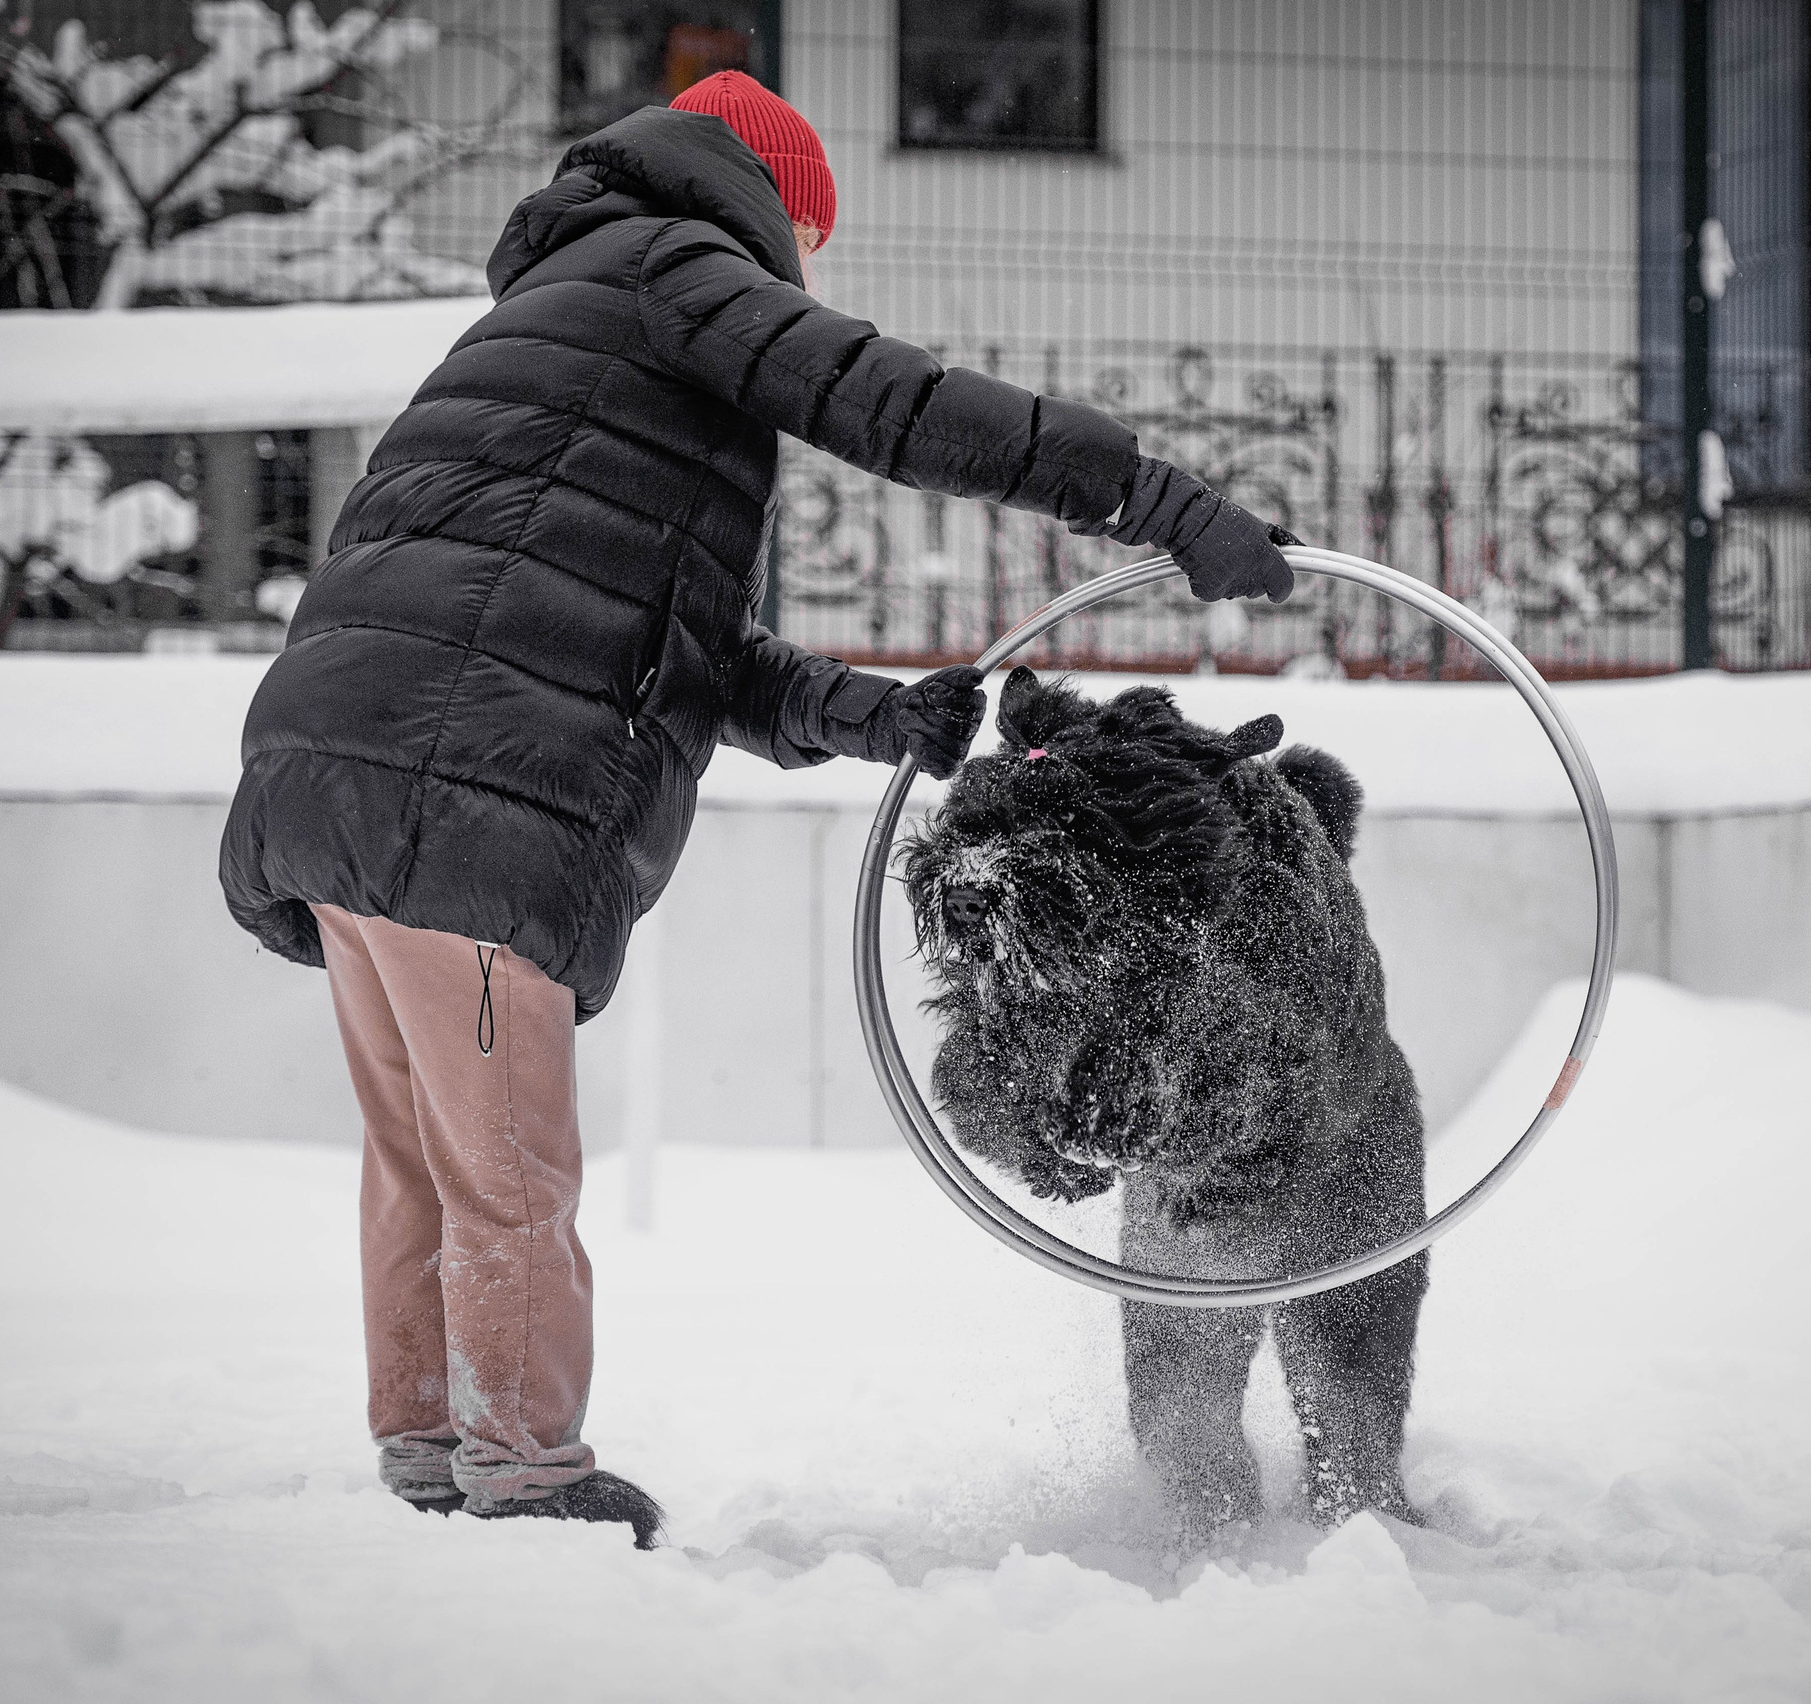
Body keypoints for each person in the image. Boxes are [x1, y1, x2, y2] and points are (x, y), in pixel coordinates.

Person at [218, 69, 1295, 1547]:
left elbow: (670, 648)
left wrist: (875, 716)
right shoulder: (674, 269)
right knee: (507, 1166)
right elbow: (898, 404)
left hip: (338, 766)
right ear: (770, 201)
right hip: (459, 797)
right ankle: (525, 1475)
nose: (802, 274)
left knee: (426, 1150)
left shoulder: (553, 324)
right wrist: (1159, 503)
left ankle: (428, 1439)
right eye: (807, 241)